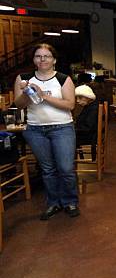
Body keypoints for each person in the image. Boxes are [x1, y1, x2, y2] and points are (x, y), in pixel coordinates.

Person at [13, 43, 80, 219]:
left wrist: (43, 95)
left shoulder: (63, 79)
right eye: (38, 56)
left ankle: (70, 201)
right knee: (48, 169)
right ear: (34, 59)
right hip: (35, 129)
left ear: (54, 60)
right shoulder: (24, 78)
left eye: (47, 56)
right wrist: (27, 93)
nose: (42, 59)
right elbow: (18, 105)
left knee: (65, 168)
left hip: (62, 127)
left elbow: (70, 104)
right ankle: (53, 203)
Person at [74, 84, 99, 155]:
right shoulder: (90, 106)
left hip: (89, 137)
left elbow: (87, 127)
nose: (77, 101)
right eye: (77, 98)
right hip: (90, 135)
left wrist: (73, 129)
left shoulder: (93, 109)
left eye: (80, 98)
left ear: (88, 97)